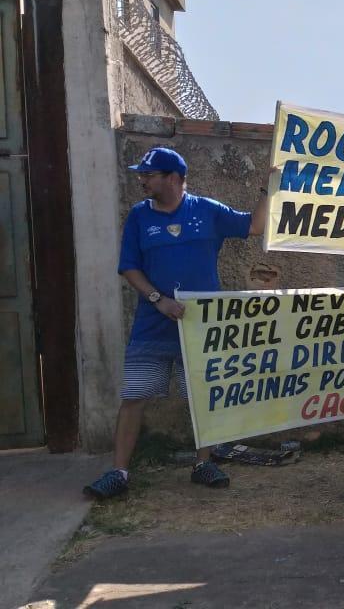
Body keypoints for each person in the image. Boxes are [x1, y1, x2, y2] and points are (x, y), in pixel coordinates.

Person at [83, 147, 268, 499]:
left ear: (173, 178)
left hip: (200, 327)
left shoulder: (207, 210)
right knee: (134, 396)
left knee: (203, 397)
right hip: (152, 326)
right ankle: (119, 472)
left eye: (148, 175)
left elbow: (254, 226)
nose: (142, 180)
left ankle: (203, 464)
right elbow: (129, 267)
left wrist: (266, 189)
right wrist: (158, 300)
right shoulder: (139, 217)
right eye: (142, 174)